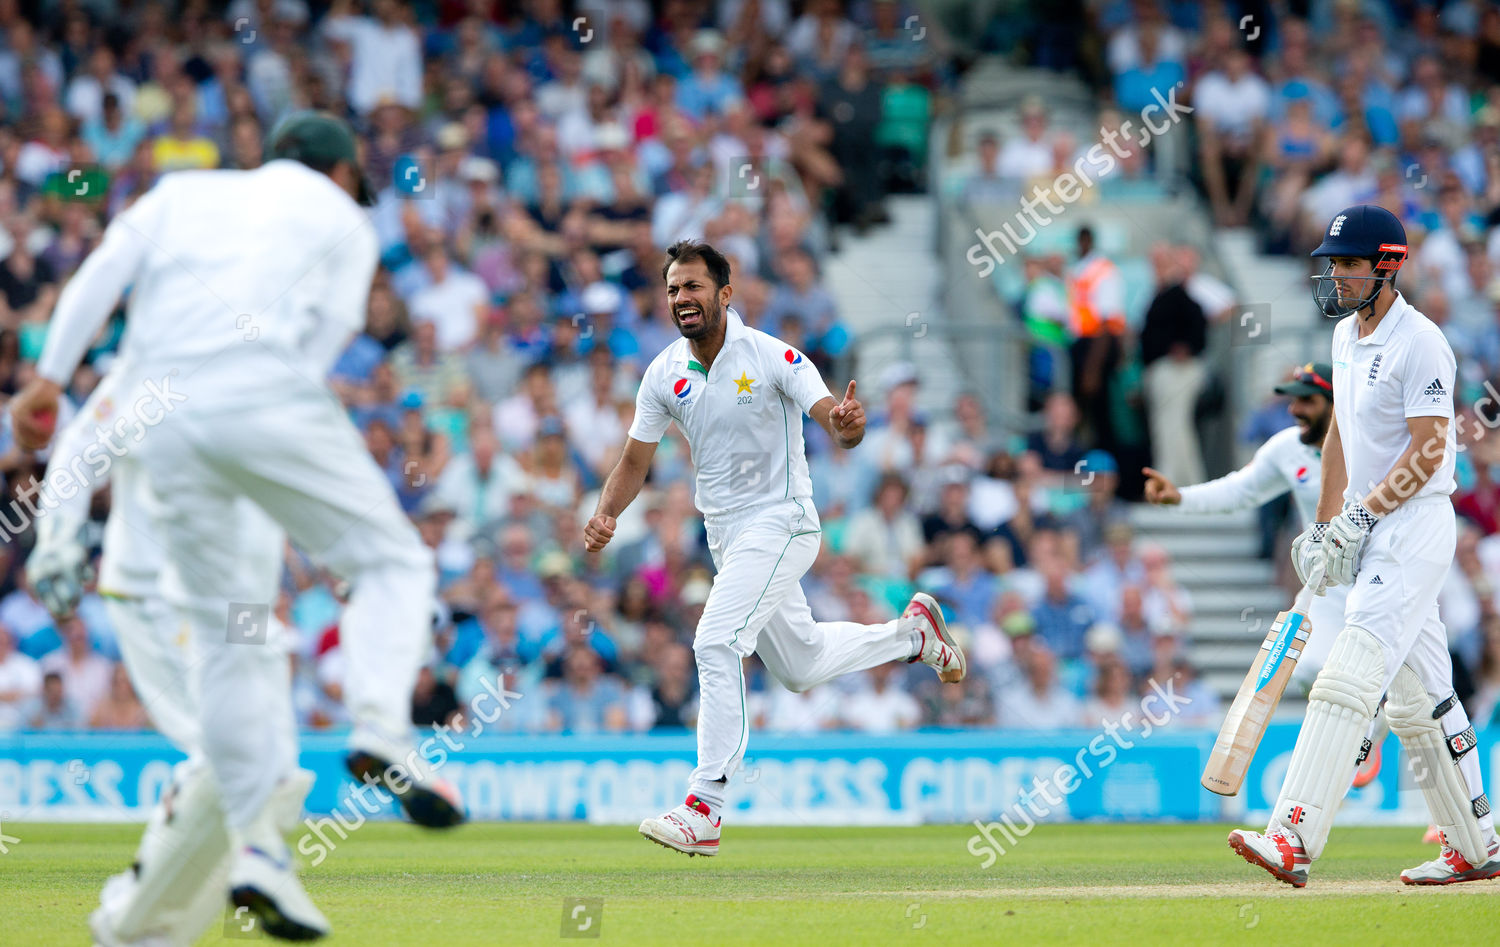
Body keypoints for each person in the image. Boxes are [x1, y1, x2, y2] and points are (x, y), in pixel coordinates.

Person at [8, 112, 464, 941]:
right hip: (153, 593)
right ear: (336, 171)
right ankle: (383, 732)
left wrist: (44, 376)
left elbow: (101, 278)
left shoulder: (182, 197)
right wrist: (59, 540)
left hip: (214, 567)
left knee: (259, 736)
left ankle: (247, 864)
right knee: (393, 567)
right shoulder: (340, 219)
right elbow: (319, 345)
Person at [583, 240, 965, 857]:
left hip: (783, 520)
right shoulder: (663, 373)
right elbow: (634, 460)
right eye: (674, 288)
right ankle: (912, 636)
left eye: (694, 287)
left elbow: (833, 420)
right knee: (800, 665)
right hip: (726, 535)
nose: (683, 298)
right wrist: (604, 514)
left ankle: (705, 804)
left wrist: (847, 425)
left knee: (714, 641)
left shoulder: (772, 355)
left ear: (724, 294)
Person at [1227, 205, 1500, 887]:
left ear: (1386, 266)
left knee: (1349, 672)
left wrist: (1365, 515)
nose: (1335, 275)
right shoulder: (1347, 336)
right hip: (1370, 524)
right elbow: (1341, 435)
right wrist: (1325, 523)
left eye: (1347, 263)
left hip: (1415, 526)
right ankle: (1477, 844)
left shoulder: (1422, 342)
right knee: (1421, 699)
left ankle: (1292, 835)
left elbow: (1432, 448)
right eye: (1331, 263)